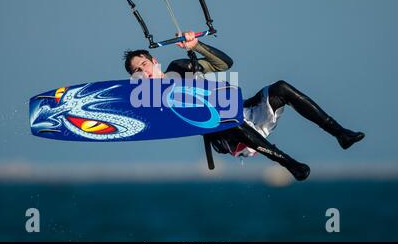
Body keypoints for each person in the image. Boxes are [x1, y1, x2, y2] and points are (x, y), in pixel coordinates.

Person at [123, 32, 365, 181]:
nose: (143, 71)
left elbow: (224, 64)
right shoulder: (150, 99)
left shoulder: (179, 67)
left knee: (280, 87)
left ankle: (340, 134)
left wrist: (196, 47)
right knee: (224, 115)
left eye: (144, 64)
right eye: (137, 71)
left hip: (245, 112)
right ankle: (290, 163)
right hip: (226, 134)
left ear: (155, 61)